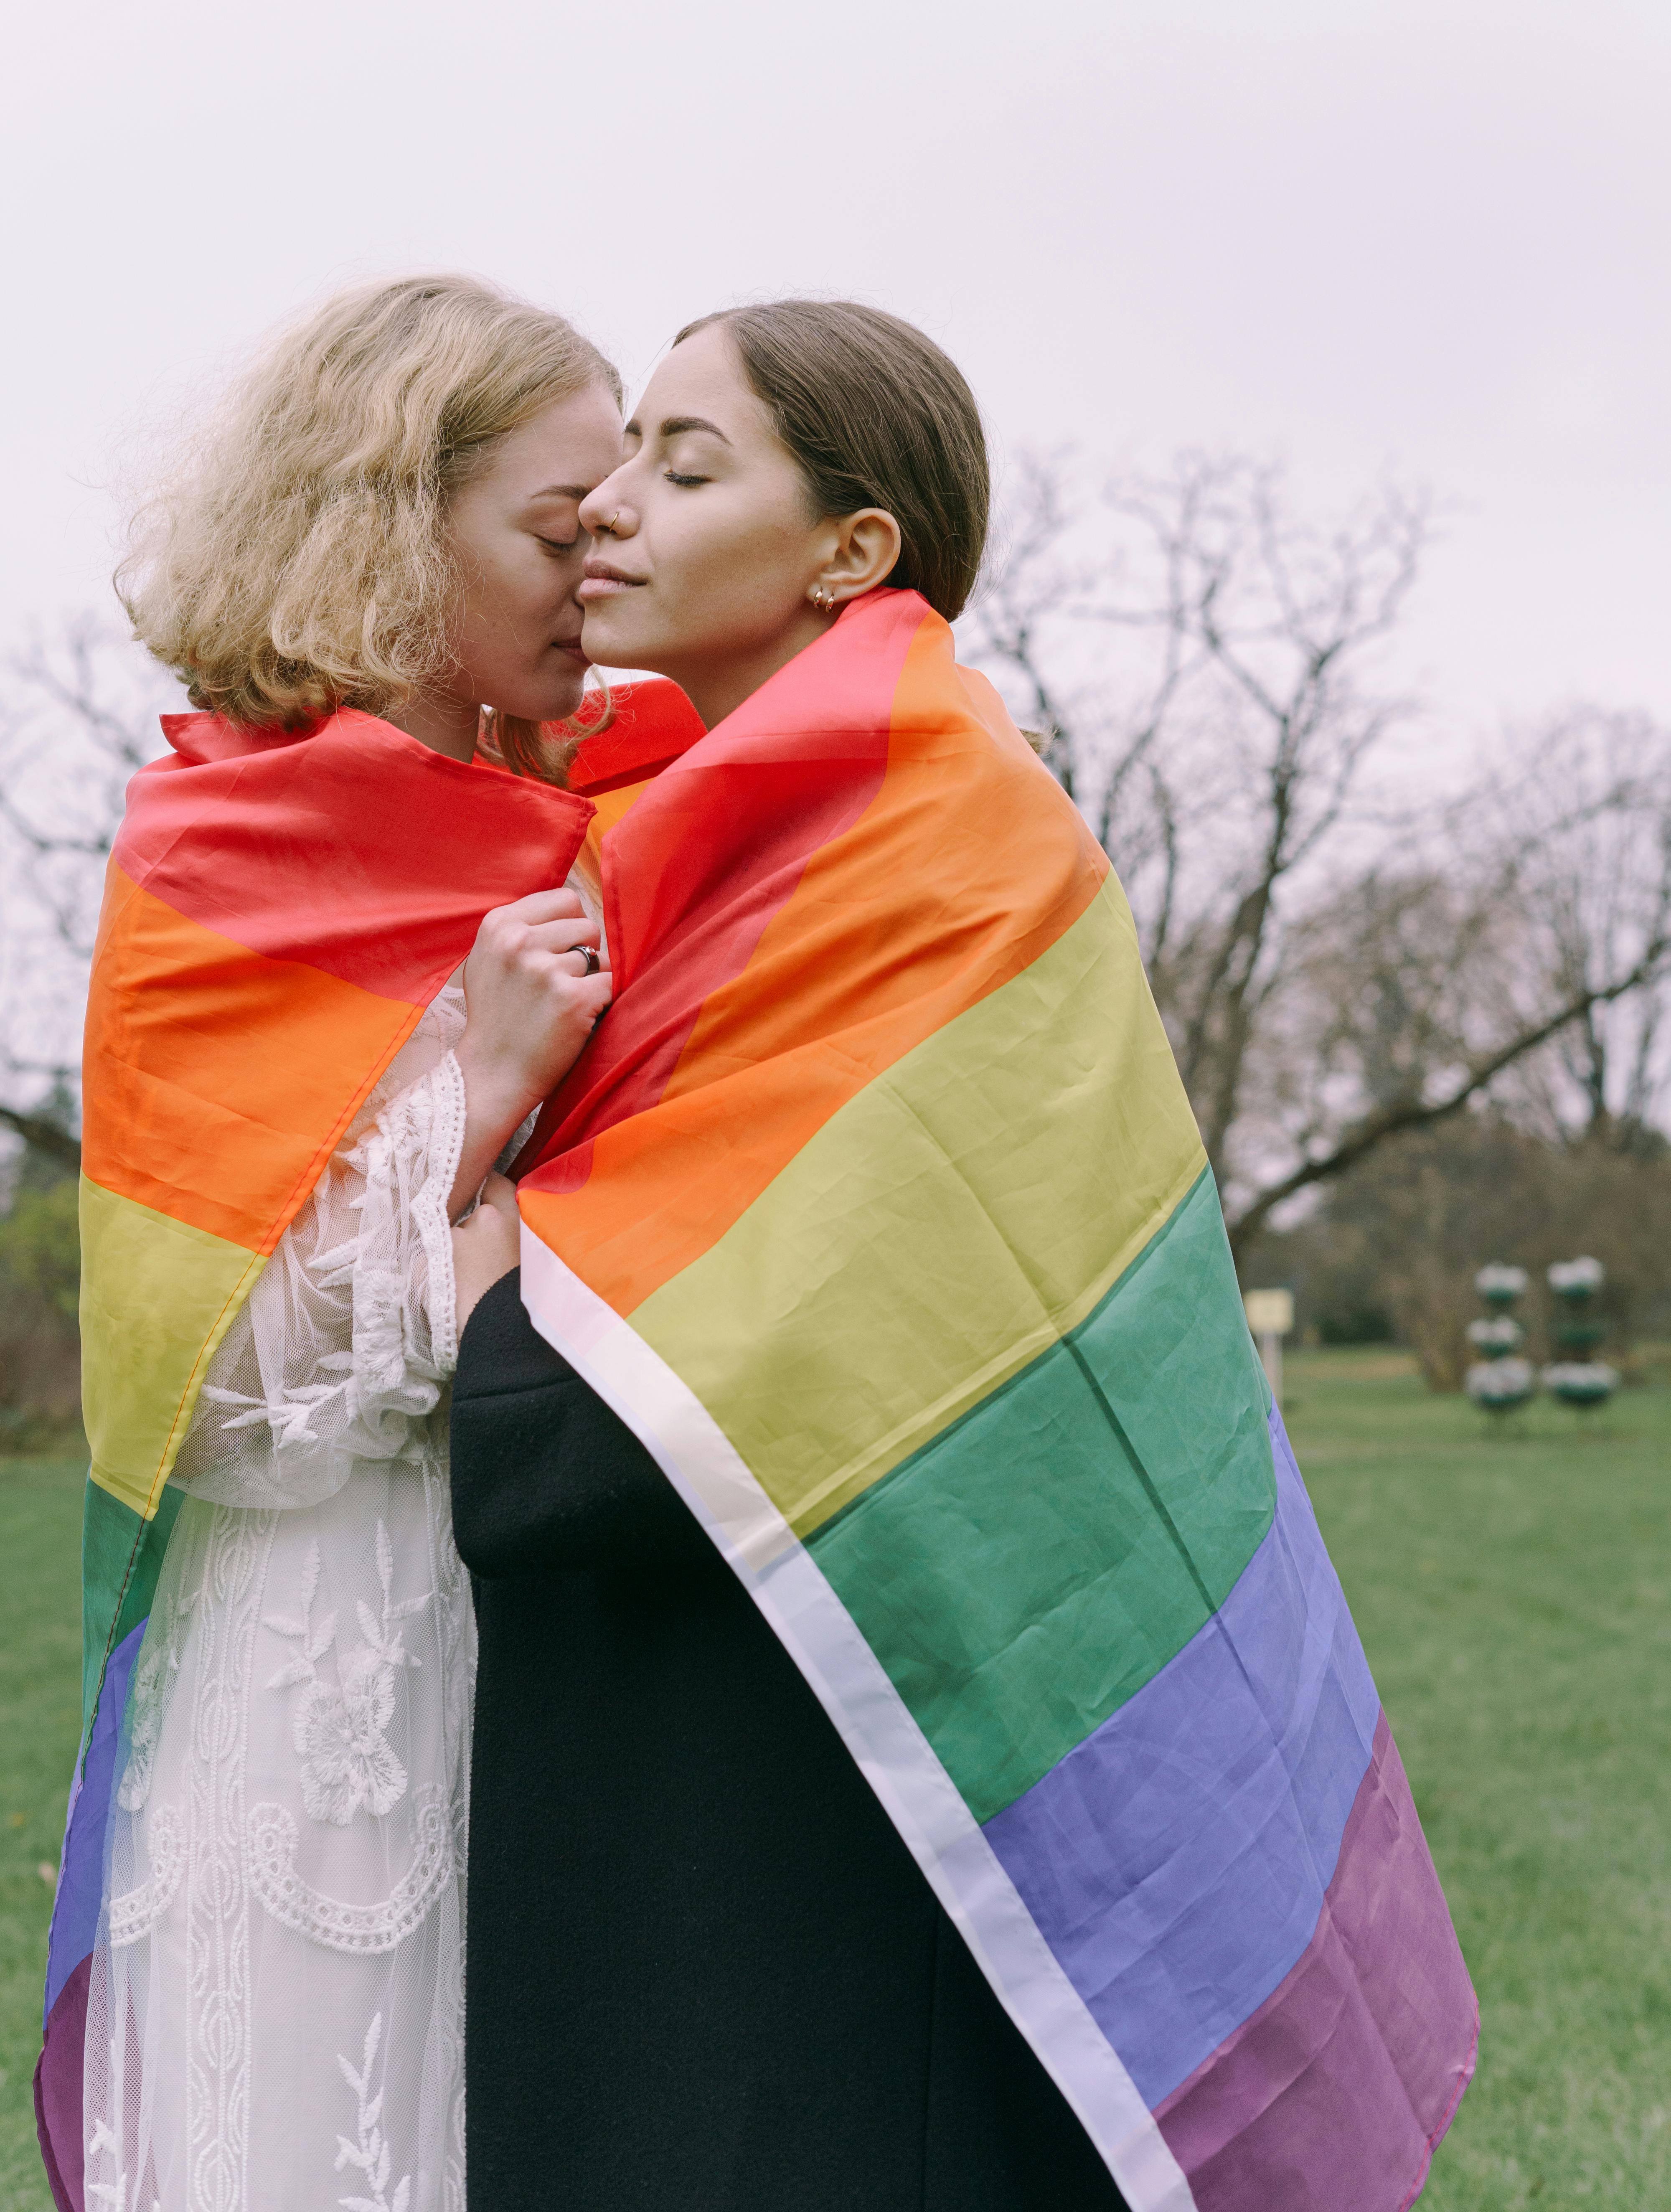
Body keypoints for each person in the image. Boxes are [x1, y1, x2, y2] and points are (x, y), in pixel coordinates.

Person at [450, 299, 1477, 2212]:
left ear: (852, 552)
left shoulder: (922, 831)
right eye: (619, 459)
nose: (609, 506)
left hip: (842, 1701)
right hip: (705, 1674)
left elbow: (787, 1313)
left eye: (687, 466)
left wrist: (474, 1238)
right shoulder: (676, 830)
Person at [41, 276, 626, 2212]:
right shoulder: (212, 855)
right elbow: (204, 1393)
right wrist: (473, 1101)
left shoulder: (609, 812)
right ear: (392, 526)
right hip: (334, 1634)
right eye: (560, 530)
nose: (602, 568)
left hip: (609, 1626)